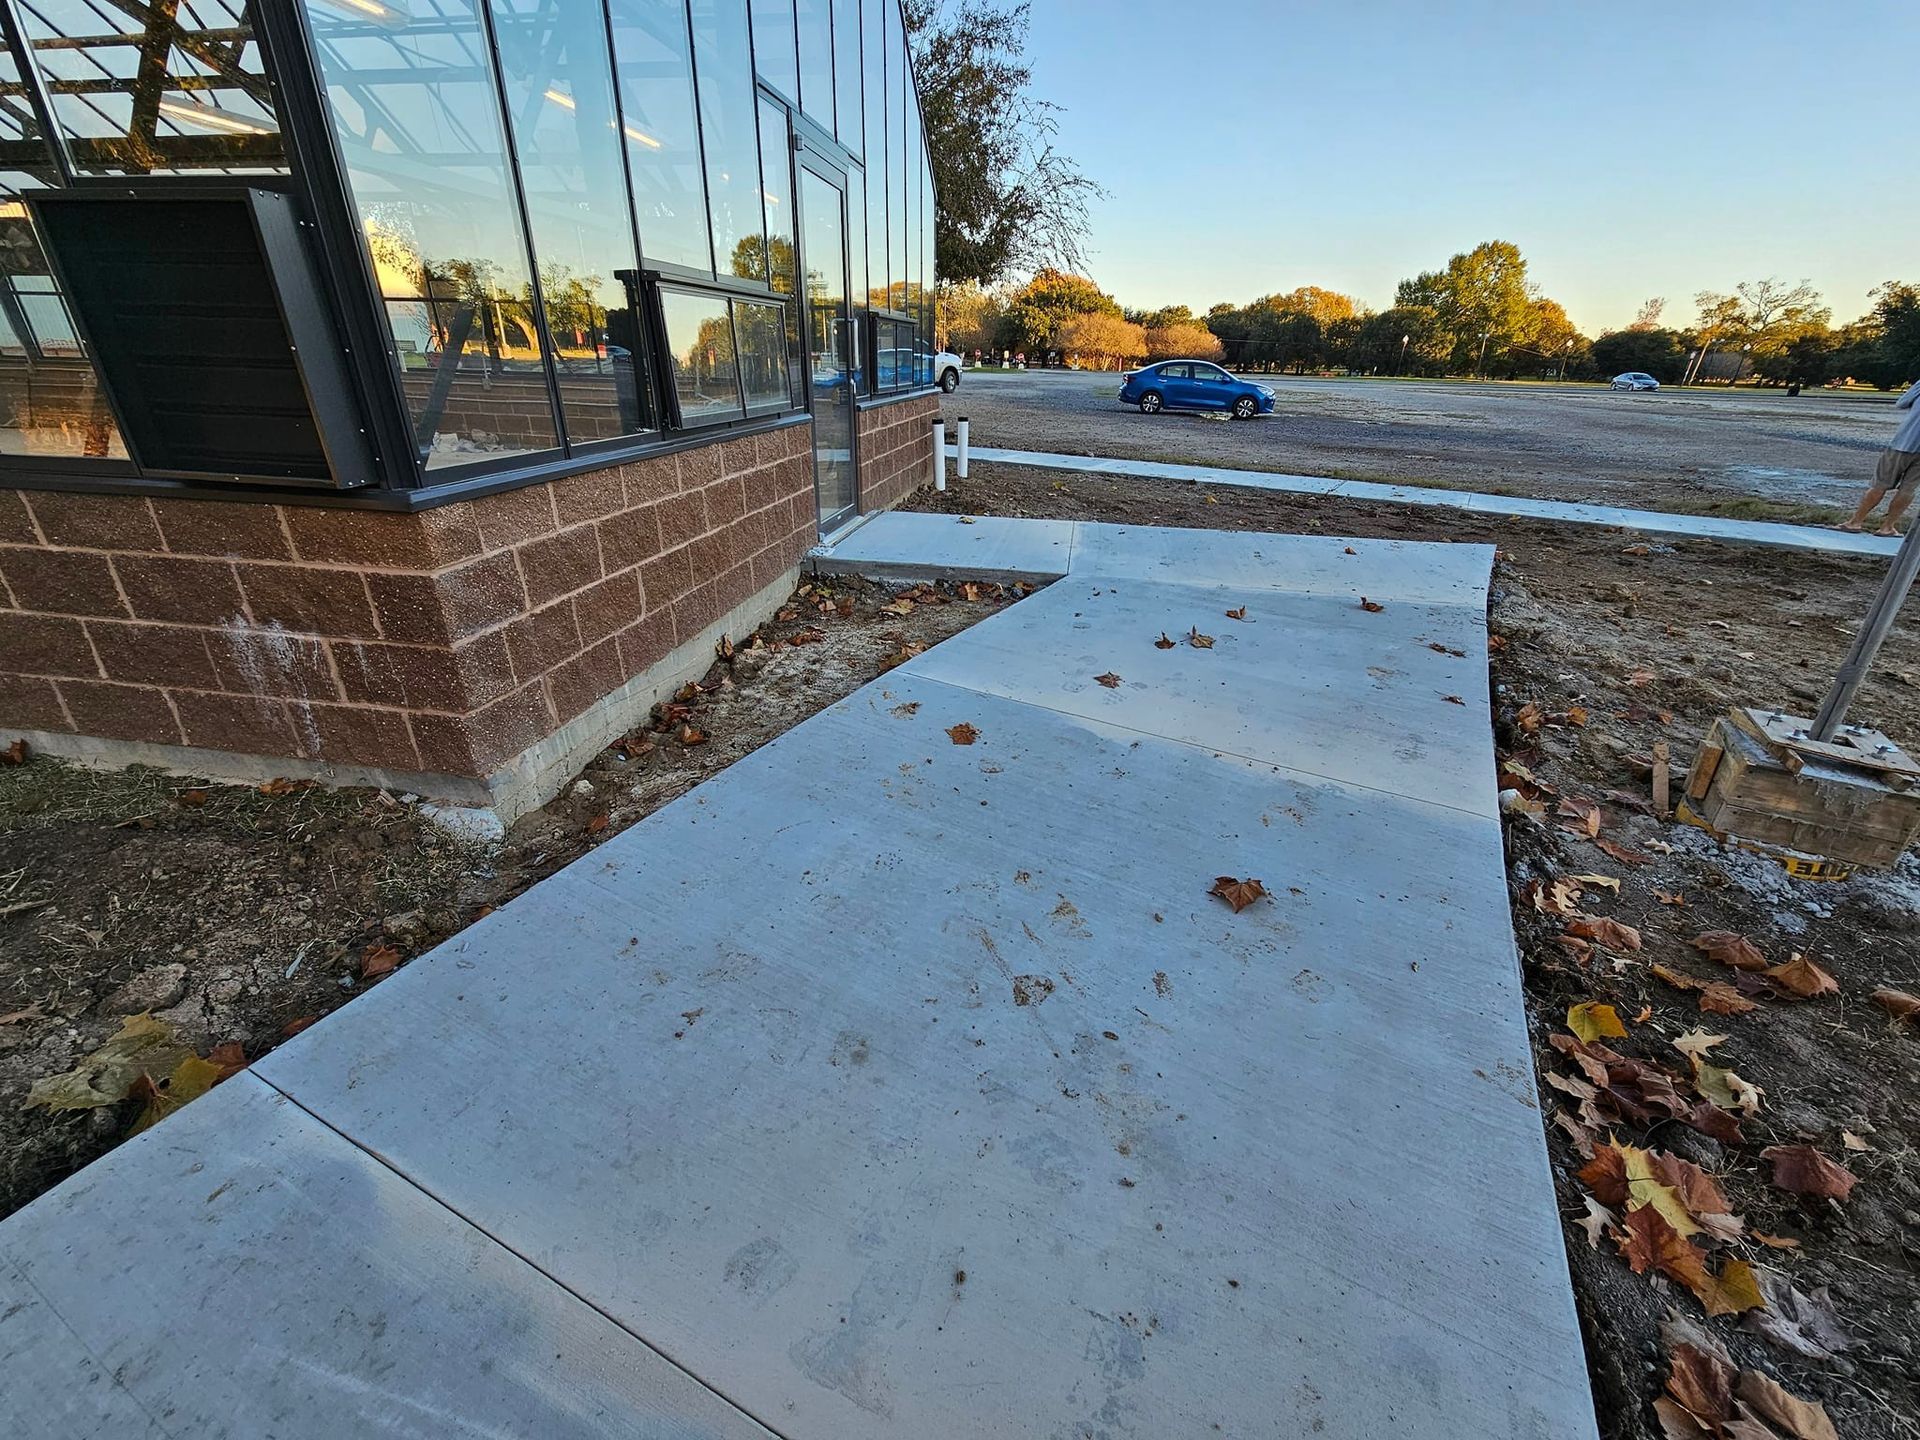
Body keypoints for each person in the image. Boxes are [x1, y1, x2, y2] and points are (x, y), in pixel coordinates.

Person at [1840, 378, 1920, 535]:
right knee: (1908, 489)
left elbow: (1901, 403)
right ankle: (1887, 527)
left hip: (1903, 442)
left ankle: (1855, 522)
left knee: (1880, 484)